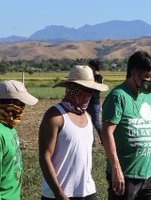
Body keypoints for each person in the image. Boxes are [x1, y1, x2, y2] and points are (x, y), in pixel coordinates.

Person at [38, 65, 109, 200]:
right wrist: (58, 192)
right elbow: (44, 157)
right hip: (59, 194)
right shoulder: (55, 116)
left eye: (90, 91)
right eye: (82, 90)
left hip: (87, 192)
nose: (87, 95)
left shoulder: (88, 117)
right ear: (70, 89)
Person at [101, 50, 151, 200]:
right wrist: (116, 169)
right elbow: (107, 132)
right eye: (147, 77)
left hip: (149, 173)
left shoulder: (148, 96)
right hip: (125, 175)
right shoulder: (118, 96)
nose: (150, 81)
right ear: (134, 74)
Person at [87, 59, 105, 146]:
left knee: (97, 123)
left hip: (94, 103)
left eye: (90, 66)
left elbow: (95, 88)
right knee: (89, 124)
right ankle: (93, 142)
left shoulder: (99, 78)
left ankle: (104, 140)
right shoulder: (89, 77)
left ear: (93, 67)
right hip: (87, 103)